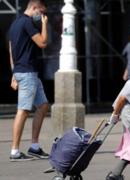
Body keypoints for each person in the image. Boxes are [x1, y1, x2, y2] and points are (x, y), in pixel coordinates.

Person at [8, 0, 49, 161]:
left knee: (43, 106)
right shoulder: (27, 23)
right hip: (27, 72)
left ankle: (34, 147)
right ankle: (15, 152)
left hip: (24, 71)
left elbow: (11, 49)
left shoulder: (15, 23)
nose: (42, 15)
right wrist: (44, 25)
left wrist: (14, 73)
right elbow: (43, 42)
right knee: (23, 110)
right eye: (41, 12)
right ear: (34, 8)